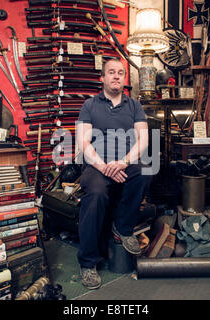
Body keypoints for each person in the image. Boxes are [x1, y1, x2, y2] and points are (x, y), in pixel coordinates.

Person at [76, 58, 149, 289]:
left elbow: (144, 140)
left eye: (120, 73)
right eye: (111, 72)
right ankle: (88, 263)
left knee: (146, 170)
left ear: (124, 78)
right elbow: (83, 142)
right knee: (96, 195)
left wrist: (124, 162)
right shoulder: (89, 105)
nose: (116, 76)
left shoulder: (134, 105)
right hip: (96, 165)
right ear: (103, 77)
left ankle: (123, 227)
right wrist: (103, 166)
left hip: (125, 162)